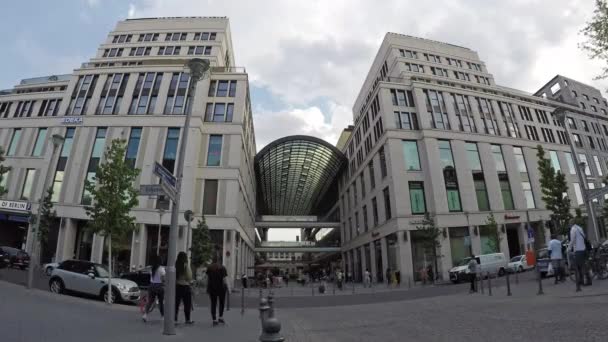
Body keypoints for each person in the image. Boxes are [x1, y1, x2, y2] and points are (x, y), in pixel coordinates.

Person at [142, 254, 165, 322]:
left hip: (151, 286)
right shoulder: (161, 269)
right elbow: (163, 279)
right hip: (159, 286)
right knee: (161, 302)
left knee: (150, 301)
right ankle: (162, 316)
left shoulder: (152, 268)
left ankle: (145, 315)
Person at [207, 256, 228, 326]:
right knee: (221, 303)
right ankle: (220, 317)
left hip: (212, 288)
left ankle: (214, 319)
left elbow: (208, 279)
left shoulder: (209, 268)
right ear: (220, 260)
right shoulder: (222, 268)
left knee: (213, 303)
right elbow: (224, 280)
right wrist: (227, 287)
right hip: (221, 288)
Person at [174, 252, 193, 325]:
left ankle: (175, 319)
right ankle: (187, 319)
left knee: (176, 304)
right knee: (187, 304)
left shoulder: (176, 265)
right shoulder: (186, 266)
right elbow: (189, 276)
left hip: (177, 286)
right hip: (185, 286)